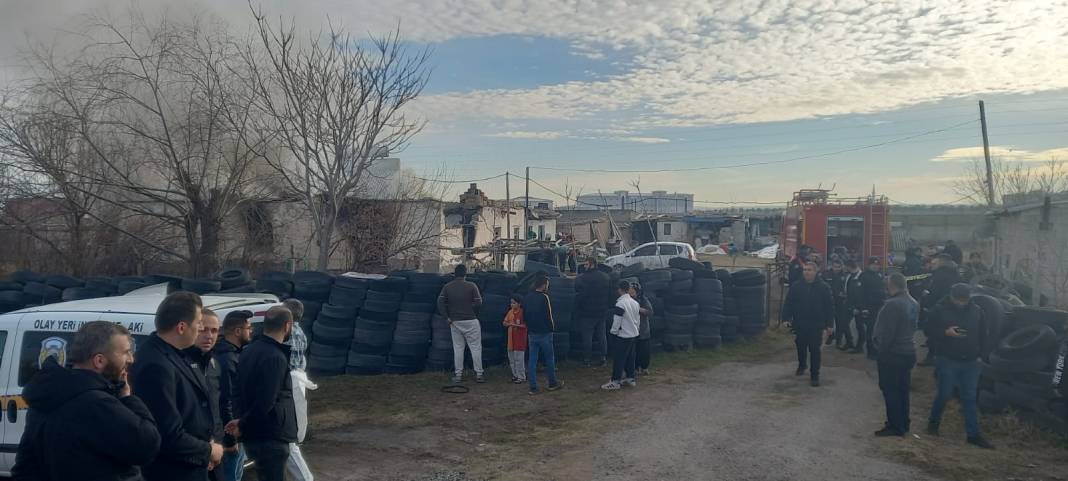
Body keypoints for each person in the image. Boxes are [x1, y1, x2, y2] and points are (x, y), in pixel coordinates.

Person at [12, 321, 161, 481]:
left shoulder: (47, 394)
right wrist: (128, 398)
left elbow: (26, 465)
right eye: (126, 352)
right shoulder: (97, 403)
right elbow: (147, 444)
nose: (131, 359)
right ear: (99, 361)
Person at [131, 291, 223, 481]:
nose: (201, 328)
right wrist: (208, 450)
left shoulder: (176, 354)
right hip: (173, 472)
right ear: (181, 327)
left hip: (193, 465)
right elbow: (167, 434)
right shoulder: (155, 364)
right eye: (198, 323)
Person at [227, 306, 298, 481]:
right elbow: (267, 400)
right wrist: (243, 422)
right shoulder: (275, 356)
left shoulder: (248, 351)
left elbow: (236, 391)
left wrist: (241, 420)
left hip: (253, 433)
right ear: (287, 325)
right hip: (271, 434)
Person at [925, 284, 995, 449]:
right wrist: (944, 332)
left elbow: (984, 335)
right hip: (947, 359)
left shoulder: (978, 311)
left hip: (971, 362)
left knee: (970, 398)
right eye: (959, 300)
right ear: (951, 296)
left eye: (965, 300)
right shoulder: (939, 309)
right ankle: (933, 424)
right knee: (944, 394)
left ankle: (973, 434)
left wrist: (981, 356)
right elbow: (927, 329)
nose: (962, 303)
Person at [872, 273, 919, 437]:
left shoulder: (892, 305)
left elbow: (888, 333)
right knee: (902, 390)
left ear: (891, 285)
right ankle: (904, 422)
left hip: (893, 353)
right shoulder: (913, 302)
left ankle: (894, 425)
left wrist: (882, 352)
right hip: (908, 352)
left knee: (890, 390)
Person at [781, 261, 835, 387]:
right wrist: (786, 319)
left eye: (810, 270)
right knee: (800, 345)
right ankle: (802, 365)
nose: (807, 272)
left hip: (816, 324)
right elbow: (788, 303)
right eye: (805, 269)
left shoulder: (824, 287)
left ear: (816, 272)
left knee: (815, 349)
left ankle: (814, 375)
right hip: (800, 322)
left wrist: (829, 324)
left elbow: (829, 307)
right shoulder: (796, 286)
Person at [214, 310, 253, 481]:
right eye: (248, 328)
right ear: (237, 331)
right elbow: (227, 399)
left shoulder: (233, 354)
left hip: (237, 426)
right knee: (231, 476)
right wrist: (231, 439)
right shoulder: (227, 358)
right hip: (231, 431)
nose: (251, 331)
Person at [185, 309, 223, 481]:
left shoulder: (214, 363)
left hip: (215, 449)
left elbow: (216, 407)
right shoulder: (180, 366)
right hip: (191, 455)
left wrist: (218, 443)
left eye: (214, 331)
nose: (209, 336)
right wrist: (204, 451)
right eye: (203, 330)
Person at [281, 299, 316, 481]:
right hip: (296, 382)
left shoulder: (288, 332)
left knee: (288, 440)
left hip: (289, 384)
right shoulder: (300, 332)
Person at [438, 264, 485, 384]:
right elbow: (479, 302)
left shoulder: (447, 287)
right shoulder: (472, 286)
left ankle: (458, 375)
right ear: (465, 274)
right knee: (475, 347)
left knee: (458, 348)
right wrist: (472, 310)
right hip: (471, 320)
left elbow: (440, 302)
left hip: (455, 321)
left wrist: (446, 317)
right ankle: (479, 374)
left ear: (454, 274)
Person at [920, 254, 962, 366]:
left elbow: (934, 292)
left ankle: (931, 357)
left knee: (935, 333)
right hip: (951, 307)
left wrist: (926, 298)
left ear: (941, 263)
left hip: (937, 307)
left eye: (934, 263)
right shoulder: (955, 272)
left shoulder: (940, 275)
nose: (932, 265)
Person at [524, 276, 563, 395]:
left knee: (532, 360)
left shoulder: (527, 297)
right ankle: (552, 383)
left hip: (532, 332)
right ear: (543, 284)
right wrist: (552, 329)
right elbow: (549, 316)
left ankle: (533, 387)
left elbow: (525, 315)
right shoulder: (544, 297)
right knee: (549, 358)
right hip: (545, 332)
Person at [603, 280, 641, 390]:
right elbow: (637, 320)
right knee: (630, 357)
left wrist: (613, 332)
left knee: (619, 358)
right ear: (628, 289)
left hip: (623, 335)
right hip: (633, 334)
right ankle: (630, 378)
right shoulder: (635, 303)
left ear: (619, 289)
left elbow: (617, 321)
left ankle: (615, 381)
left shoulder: (620, 303)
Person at [575, 259, 612, 367]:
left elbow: (579, 295)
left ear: (592, 265)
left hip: (587, 312)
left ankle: (587, 359)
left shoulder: (583, 278)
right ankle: (603, 358)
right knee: (602, 336)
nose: (585, 266)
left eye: (586, 264)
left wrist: (577, 308)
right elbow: (610, 294)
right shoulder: (606, 277)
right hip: (602, 311)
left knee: (587, 337)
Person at [856, 256, 887, 359]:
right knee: (871, 330)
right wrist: (863, 308)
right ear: (869, 265)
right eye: (873, 265)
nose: (875, 266)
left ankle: (876, 349)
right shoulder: (864, 276)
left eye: (877, 265)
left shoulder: (879, 275)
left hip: (880, 306)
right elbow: (860, 294)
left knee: (878, 329)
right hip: (869, 307)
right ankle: (871, 351)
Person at [822, 259, 853, 350]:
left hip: (840, 303)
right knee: (827, 322)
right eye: (835, 266)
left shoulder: (846, 275)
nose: (837, 269)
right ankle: (830, 337)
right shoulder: (826, 274)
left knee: (840, 323)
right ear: (832, 266)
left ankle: (839, 342)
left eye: (839, 267)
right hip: (828, 302)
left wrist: (844, 294)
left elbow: (849, 288)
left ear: (842, 266)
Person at [503, 294, 528, 384]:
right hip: (511, 339)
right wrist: (506, 323)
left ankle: (522, 376)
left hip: (520, 339)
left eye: (514, 303)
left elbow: (525, 325)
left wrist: (513, 325)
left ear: (519, 304)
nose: (512, 305)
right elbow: (505, 322)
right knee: (512, 359)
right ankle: (515, 375)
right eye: (511, 303)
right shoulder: (510, 312)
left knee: (519, 359)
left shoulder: (523, 312)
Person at [631, 284, 655, 375]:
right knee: (634, 351)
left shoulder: (643, 300)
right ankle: (635, 368)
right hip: (632, 330)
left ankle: (644, 368)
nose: (631, 291)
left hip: (643, 330)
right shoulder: (627, 300)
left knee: (644, 351)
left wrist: (639, 309)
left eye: (633, 290)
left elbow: (650, 312)